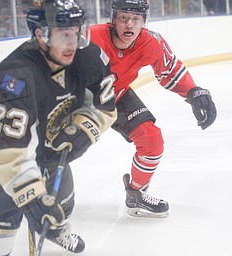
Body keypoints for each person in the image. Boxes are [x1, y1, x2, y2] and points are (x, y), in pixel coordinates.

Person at [0, 0, 116, 255]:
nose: (72, 43)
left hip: (50, 145)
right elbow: (8, 151)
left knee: (60, 204)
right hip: (3, 149)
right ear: (41, 35)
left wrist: (83, 129)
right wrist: (31, 199)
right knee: (0, 222)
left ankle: (55, 229)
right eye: (63, 34)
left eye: (75, 32)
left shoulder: (89, 57)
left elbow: (105, 106)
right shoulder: (16, 73)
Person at [90, 0, 217, 218]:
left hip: (116, 95)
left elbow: (170, 71)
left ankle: (136, 194)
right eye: (123, 18)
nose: (129, 24)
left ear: (144, 22)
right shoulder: (89, 38)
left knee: (151, 139)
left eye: (136, 19)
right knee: (59, 149)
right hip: (79, 102)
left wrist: (193, 92)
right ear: (113, 19)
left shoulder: (151, 42)